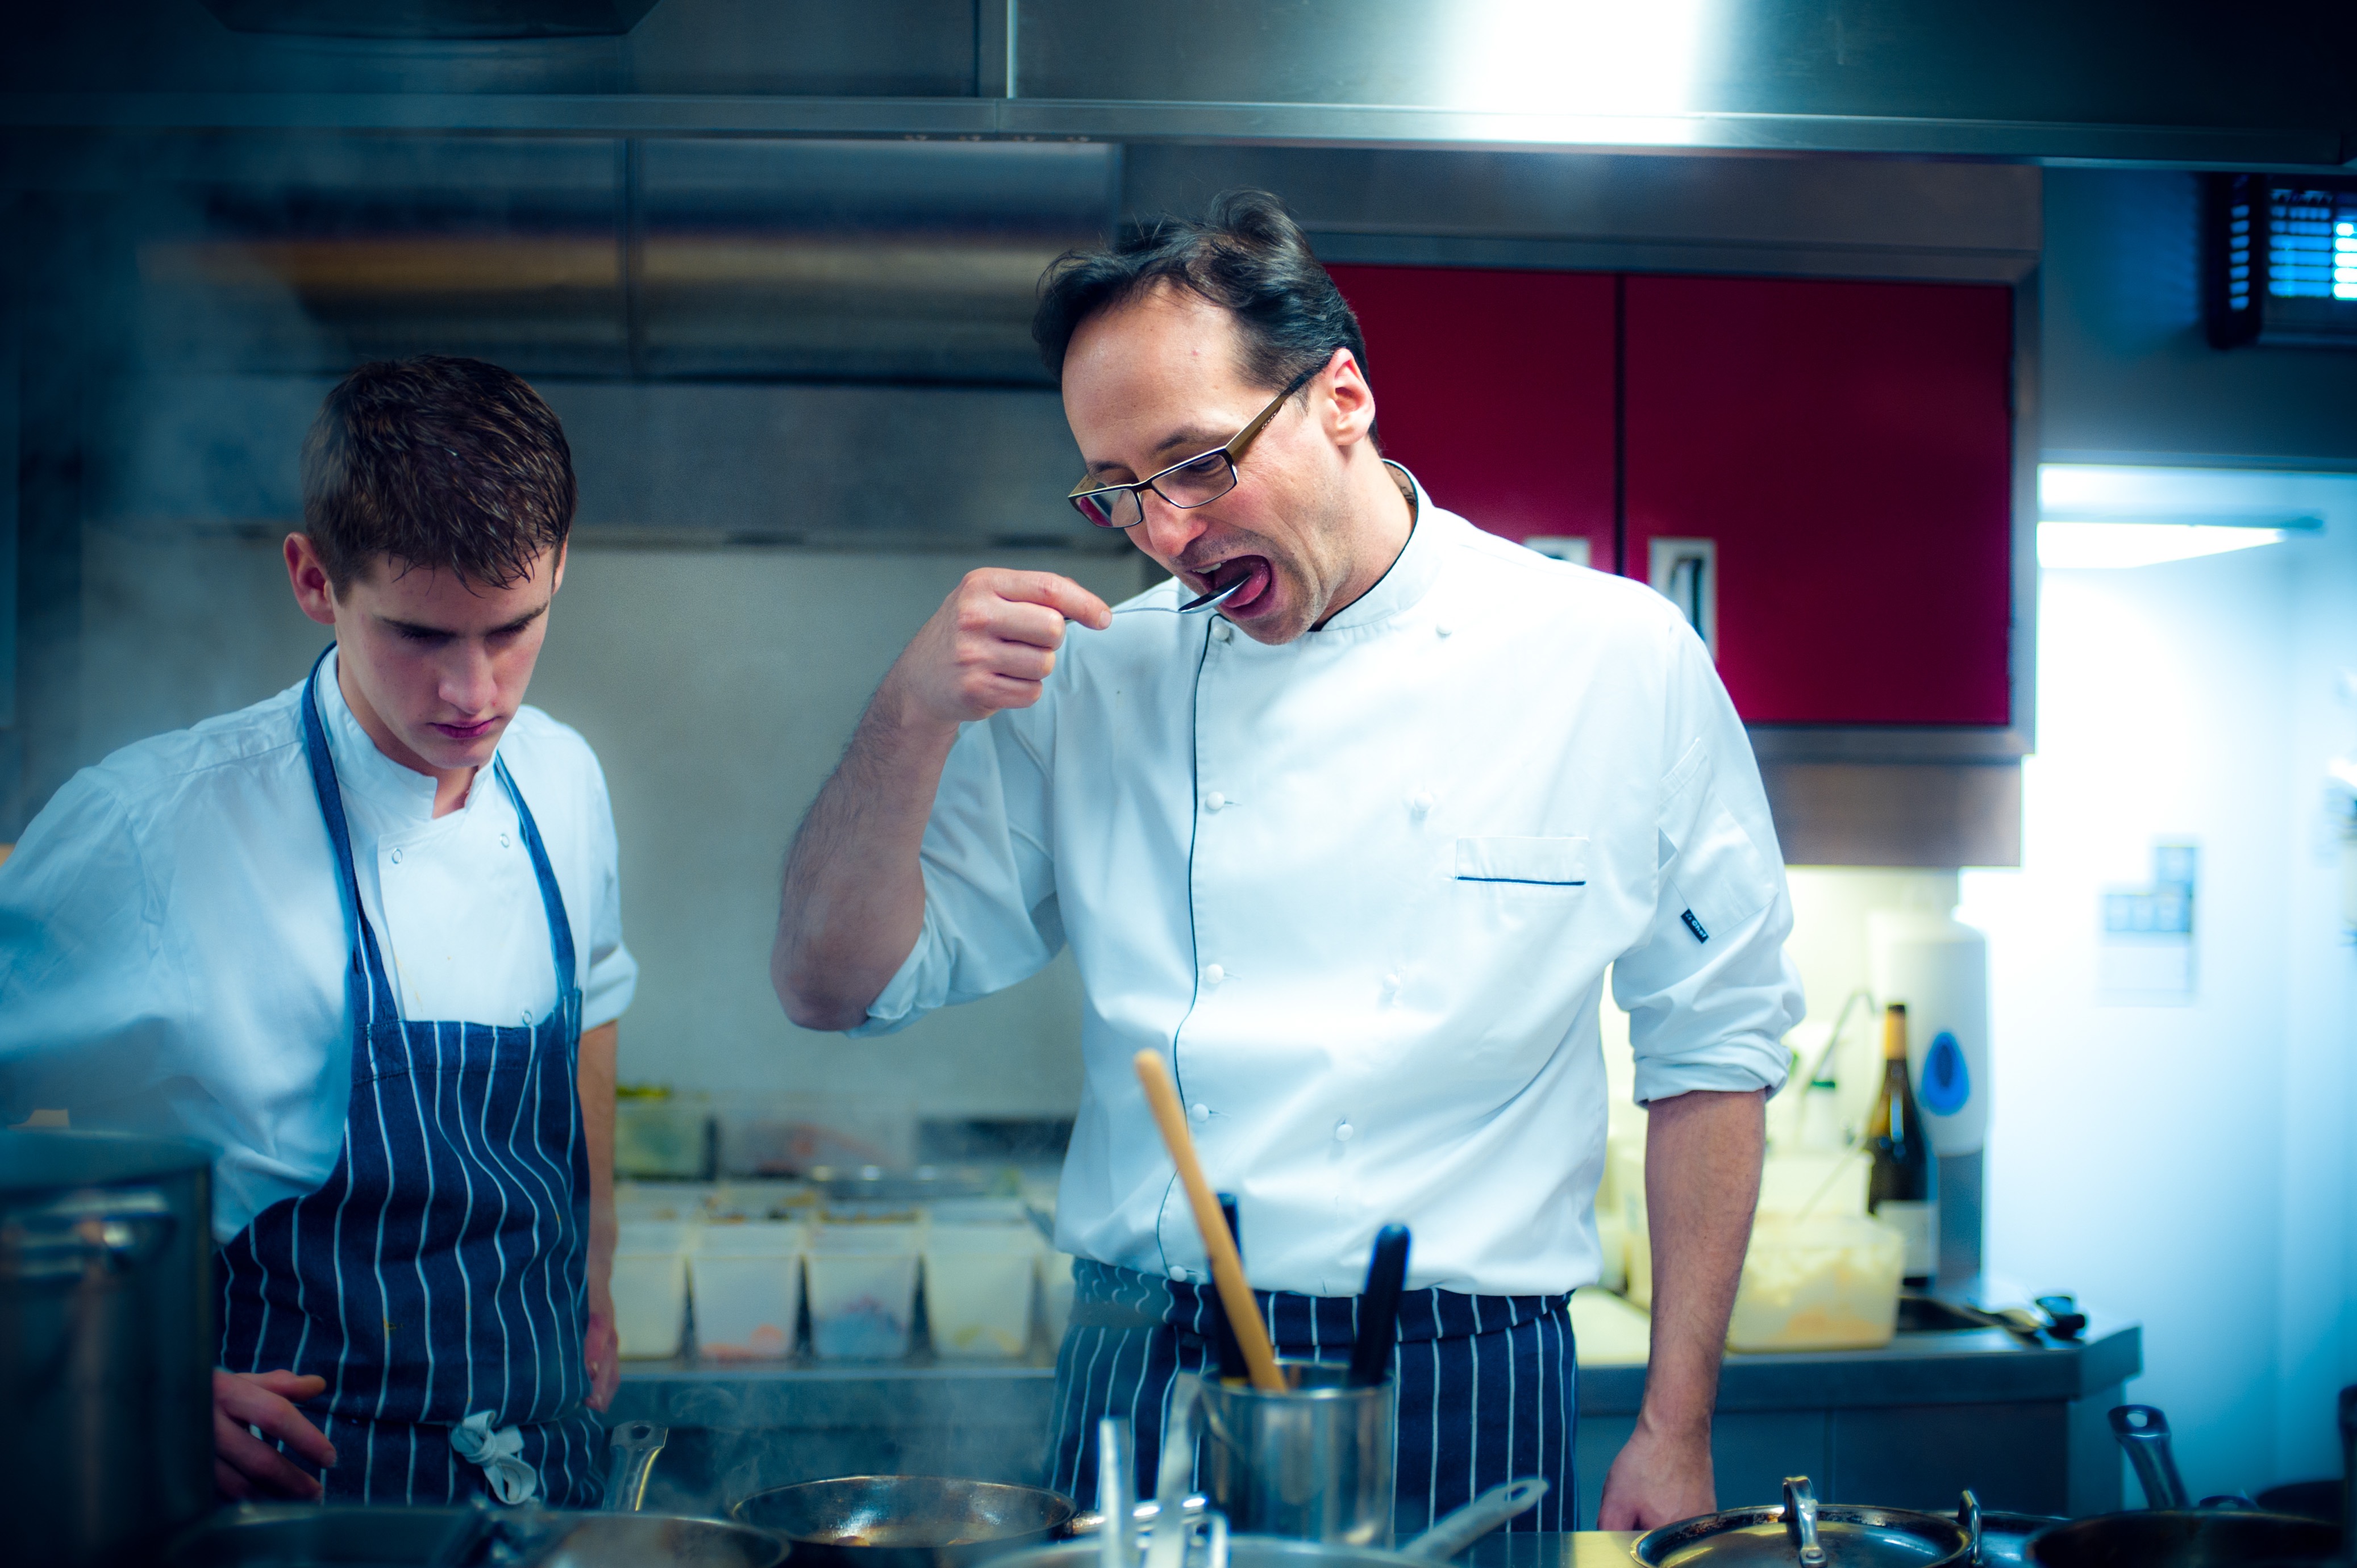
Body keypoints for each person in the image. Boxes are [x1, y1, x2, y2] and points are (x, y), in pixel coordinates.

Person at [771, 190, 1802, 1533]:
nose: (1167, 534)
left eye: (1198, 463)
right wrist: (908, 714)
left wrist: (1677, 1424)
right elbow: (828, 984)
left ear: (1342, 399)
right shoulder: (1101, 676)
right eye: (1119, 491)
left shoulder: (1611, 658)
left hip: (1459, 1376)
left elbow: (1711, 1051)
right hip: (1142, 1361)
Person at [0, 356, 635, 1507]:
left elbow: (591, 1006)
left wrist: (596, 1271)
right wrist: (123, 1376)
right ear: (312, 579)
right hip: (290, 1505)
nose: (474, 693)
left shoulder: (564, 781)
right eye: (420, 635)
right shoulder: (154, 830)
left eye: (513, 628)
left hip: (542, 1483)